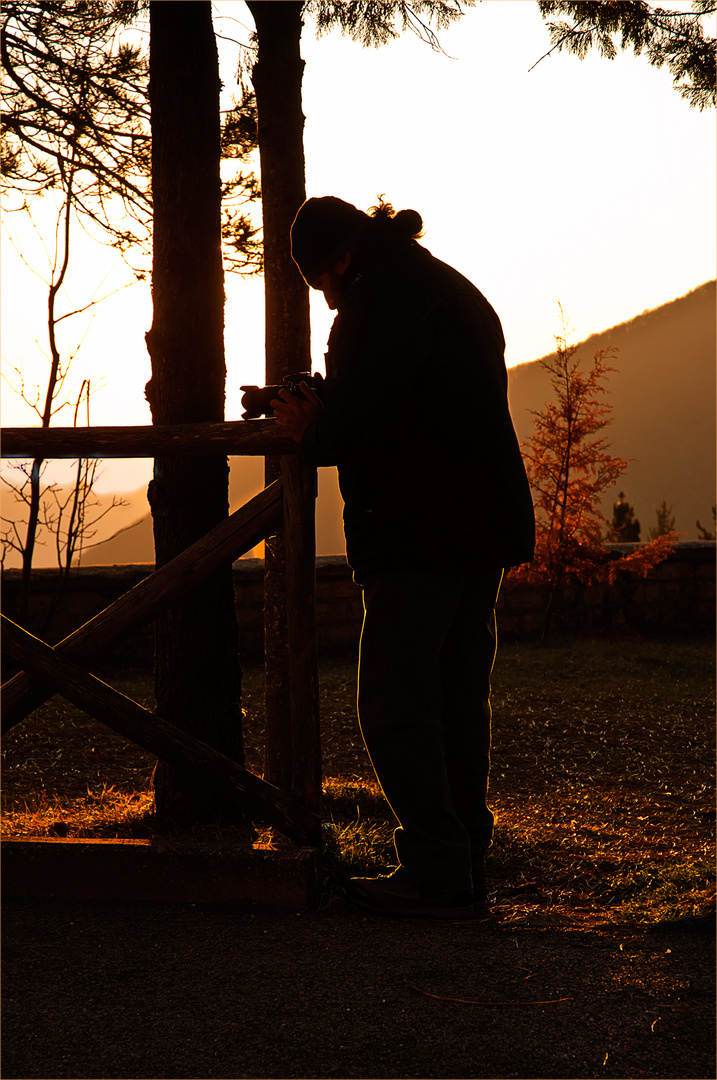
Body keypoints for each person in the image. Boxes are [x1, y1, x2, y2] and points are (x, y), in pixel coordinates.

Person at [266, 195, 535, 920]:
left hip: (421, 530)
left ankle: (432, 868)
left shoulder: (383, 298)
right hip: (478, 526)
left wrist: (309, 430)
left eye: (322, 284)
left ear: (340, 261)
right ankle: (461, 867)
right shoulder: (438, 284)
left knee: (392, 703)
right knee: (453, 698)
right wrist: (329, 398)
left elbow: (369, 420)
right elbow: (411, 396)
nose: (326, 301)